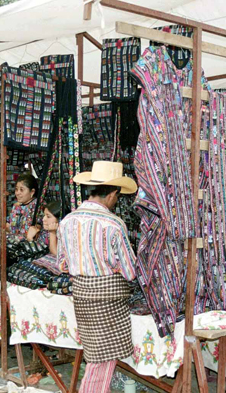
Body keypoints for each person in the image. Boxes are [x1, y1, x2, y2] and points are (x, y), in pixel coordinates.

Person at [56, 161, 138, 393]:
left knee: (96, 354)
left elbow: (62, 264)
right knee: (102, 359)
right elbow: (130, 271)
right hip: (109, 300)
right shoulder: (113, 223)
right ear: (113, 194)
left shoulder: (67, 221)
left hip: (81, 294)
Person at [31, 201, 65, 274]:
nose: (43, 219)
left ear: (59, 219)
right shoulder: (44, 233)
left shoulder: (66, 234)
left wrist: (52, 233)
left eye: (48, 216)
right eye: (44, 215)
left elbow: (56, 255)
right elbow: (37, 250)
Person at [8, 173, 39, 240]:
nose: (17, 193)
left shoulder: (38, 208)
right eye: (16, 189)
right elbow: (10, 227)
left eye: (21, 190)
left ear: (32, 192)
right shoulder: (16, 206)